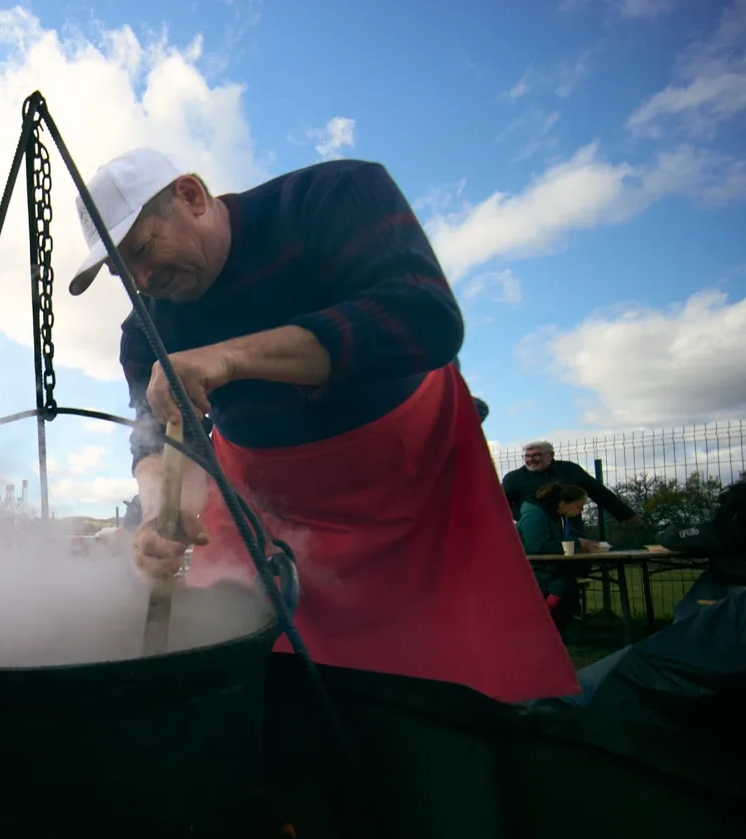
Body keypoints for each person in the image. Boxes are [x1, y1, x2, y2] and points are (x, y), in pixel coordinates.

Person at [70, 149, 577, 704]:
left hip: (412, 480)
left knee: (446, 679)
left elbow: (424, 317)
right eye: (125, 272)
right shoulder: (146, 328)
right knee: (253, 672)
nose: (143, 280)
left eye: (144, 250)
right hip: (267, 505)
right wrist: (162, 518)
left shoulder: (330, 197)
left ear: (191, 197)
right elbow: (165, 436)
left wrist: (230, 358)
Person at [516, 482, 605, 631]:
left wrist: (582, 541)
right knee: (564, 583)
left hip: (545, 567)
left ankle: (554, 620)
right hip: (535, 569)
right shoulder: (536, 515)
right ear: (563, 504)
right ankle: (541, 616)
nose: (581, 510)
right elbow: (534, 547)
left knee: (569, 580)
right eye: (579, 506)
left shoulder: (554, 516)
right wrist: (576, 543)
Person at [501, 441, 640, 529]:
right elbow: (500, 503)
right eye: (527, 456)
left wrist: (626, 515)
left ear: (551, 455)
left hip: (571, 524)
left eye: (536, 455)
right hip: (535, 527)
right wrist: (524, 516)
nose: (531, 459)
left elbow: (599, 492)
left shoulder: (569, 470)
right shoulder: (514, 478)